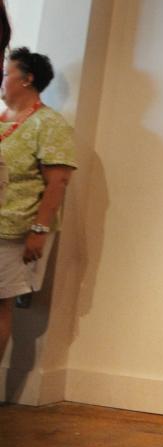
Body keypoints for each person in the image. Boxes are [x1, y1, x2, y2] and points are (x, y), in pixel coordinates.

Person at [0, 47, 77, 365]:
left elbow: (57, 182)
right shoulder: (3, 121)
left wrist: (39, 230)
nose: (1, 80)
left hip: (14, 231)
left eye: (6, 74)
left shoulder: (49, 124)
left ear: (27, 79)